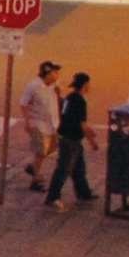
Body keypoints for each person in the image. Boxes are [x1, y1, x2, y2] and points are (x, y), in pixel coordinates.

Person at [47, 71, 96, 210]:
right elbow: (83, 124)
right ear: (85, 85)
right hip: (71, 140)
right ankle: (53, 197)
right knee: (63, 169)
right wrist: (92, 141)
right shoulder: (80, 101)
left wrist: (58, 96)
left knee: (79, 168)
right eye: (89, 84)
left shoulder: (69, 97)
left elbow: (64, 110)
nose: (90, 87)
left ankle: (84, 193)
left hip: (69, 138)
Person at [18, 60, 64, 190]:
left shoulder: (55, 84)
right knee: (40, 151)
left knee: (53, 147)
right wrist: (27, 122)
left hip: (53, 123)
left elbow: (57, 100)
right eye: (55, 72)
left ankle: (32, 167)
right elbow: (23, 104)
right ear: (47, 73)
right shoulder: (33, 86)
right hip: (38, 123)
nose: (57, 74)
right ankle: (35, 181)